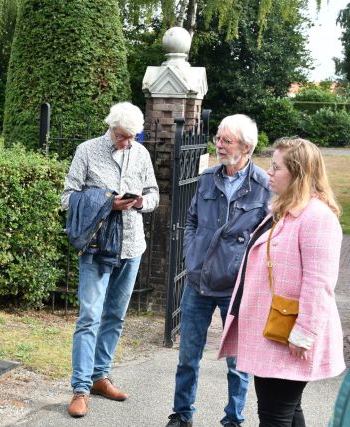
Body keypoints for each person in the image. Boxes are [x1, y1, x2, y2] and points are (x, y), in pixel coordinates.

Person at [219, 137, 346, 426]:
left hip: (288, 334)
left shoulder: (317, 217)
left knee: (275, 415)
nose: (268, 173)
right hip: (276, 333)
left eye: (276, 167)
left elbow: (320, 283)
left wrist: (304, 334)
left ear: (299, 173)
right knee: (285, 411)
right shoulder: (284, 212)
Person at [166, 114, 272, 427]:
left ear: (247, 147)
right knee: (188, 356)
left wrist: (245, 271)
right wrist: (192, 255)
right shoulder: (206, 177)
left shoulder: (264, 186)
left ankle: (233, 420)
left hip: (236, 288)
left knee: (238, 362)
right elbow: (192, 220)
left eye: (226, 140)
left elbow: (267, 238)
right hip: (198, 282)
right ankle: (181, 415)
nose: (219, 145)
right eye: (218, 138)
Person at [61, 102, 159, 418]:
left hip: (132, 246)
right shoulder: (87, 151)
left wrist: (141, 202)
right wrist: (105, 203)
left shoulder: (141, 154)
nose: (127, 142)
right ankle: (79, 389)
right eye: (122, 136)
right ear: (111, 128)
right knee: (90, 316)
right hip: (97, 248)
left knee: (115, 316)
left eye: (132, 136)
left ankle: (100, 376)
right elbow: (67, 197)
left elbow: (154, 194)